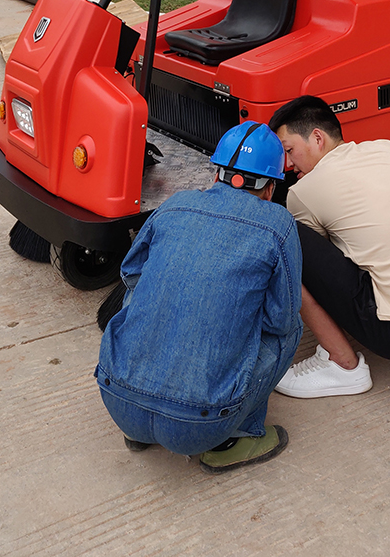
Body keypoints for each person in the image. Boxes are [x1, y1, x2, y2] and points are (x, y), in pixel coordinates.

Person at [95, 121, 303, 474]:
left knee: (141, 289)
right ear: (270, 188)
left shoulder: (177, 204)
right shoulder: (277, 224)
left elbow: (130, 272)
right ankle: (239, 436)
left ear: (217, 173)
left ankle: (141, 419)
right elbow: (279, 320)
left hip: (117, 402)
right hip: (199, 427)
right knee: (292, 327)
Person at [268, 96, 390, 398]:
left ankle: (341, 365)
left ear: (317, 138)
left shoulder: (304, 192)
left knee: (281, 236)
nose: (287, 164)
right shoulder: (386, 148)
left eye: (289, 150)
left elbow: (315, 270)